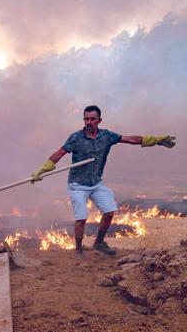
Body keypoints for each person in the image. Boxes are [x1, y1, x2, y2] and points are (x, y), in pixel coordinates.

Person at [31, 105, 175, 256]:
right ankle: (78, 249)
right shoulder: (76, 138)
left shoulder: (107, 136)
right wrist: (42, 169)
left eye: (92, 119)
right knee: (81, 218)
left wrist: (156, 140)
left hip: (96, 183)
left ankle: (99, 243)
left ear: (99, 120)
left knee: (109, 212)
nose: (89, 122)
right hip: (77, 185)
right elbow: (59, 154)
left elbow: (130, 139)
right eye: (86, 119)